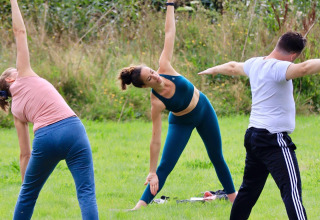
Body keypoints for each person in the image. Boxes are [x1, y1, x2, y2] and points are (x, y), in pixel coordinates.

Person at [118, 0, 236, 210]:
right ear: (145, 86)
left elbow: (169, 33)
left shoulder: (165, 65)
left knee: (216, 155)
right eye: (150, 79)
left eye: (152, 72)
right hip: (181, 121)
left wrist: (170, 4)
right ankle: (139, 207)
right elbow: (155, 139)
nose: (155, 76)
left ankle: (234, 199)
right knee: (165, 166)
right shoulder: (156, 102)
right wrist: (151, 170)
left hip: (204, 109)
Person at [198, 31, 320, 219]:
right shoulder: (280, 67)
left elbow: (232, 67)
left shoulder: (255, 63)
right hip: (273, 139)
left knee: (247, 192)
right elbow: (303, 69)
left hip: (253, 136)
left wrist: (213, 69)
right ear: (293, 56)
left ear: (278, 43)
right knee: (291, 192)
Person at [0, 1, 99, 219]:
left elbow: (24, 153)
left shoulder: (16, 110)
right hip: (73, 130)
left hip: (44, 138)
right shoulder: (24, 74)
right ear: (10, 79)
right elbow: (20, 32)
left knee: (27, 195)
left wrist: (28, 183)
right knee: (86, 192)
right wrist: (13, 2)